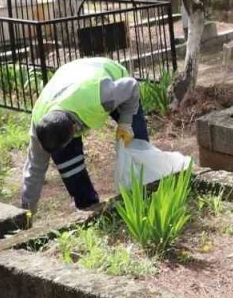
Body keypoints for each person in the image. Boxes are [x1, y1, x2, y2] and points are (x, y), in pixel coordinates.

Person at [20, 57, 148, 212]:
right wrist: (26, 214)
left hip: (107, 78)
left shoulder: (101, 96)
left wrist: (125, 122)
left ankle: (145, 189)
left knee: (136, 142)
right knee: (67, 161)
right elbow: (35, 169)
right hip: (68, 78)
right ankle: (88, 206)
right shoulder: (40, 123)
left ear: (74, 129)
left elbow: (131, 86)